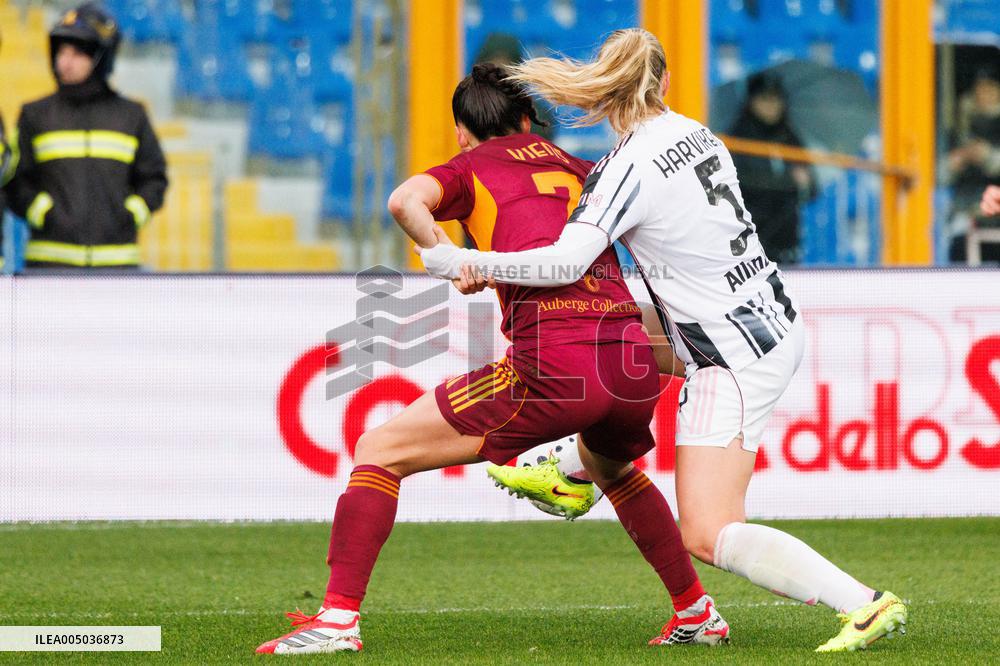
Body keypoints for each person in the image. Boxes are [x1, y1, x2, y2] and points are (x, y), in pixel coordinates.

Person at [418, 29, 907, 653]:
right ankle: (572, 470)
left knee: (707, 530)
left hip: (729, 355)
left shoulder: (626, 168)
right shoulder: (696, 133)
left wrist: (469, 261)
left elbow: (565, 262)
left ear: (605, 92)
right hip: (766, 317)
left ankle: (863, 603)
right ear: (666, 83)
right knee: (607, 330)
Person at [255, 62, 729, 655]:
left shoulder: (470, 166)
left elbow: (405, 202)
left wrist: (443, 254)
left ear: (462, 130)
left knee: (379, 450)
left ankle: (336, 622)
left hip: (557, 363)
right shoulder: (582, 167)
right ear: (529, 119)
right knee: (613, 471)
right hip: (632, 360)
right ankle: (696, 612)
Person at [6, 2, 167, 269]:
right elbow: (14, 180)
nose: (64, 62)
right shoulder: (35, 115)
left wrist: (128, 215)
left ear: (101, 57)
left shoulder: (132, 116)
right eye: (61, 52)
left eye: (77, 53)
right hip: (50, 267)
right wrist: (44, 213)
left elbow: (154, 180)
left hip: (116, 266)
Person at [727, 72, 815, 264]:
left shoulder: (790, 137)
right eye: (765, 99)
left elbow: (812, 190)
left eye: (776, 99)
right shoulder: (737, 138)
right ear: (751, 101)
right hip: (751, 244)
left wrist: (806, 184)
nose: (772, 106)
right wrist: (789, 182)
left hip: (788, 245)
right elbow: (744, 184)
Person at [946, 65, 1000, 262]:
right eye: (980, 88)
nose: (984, 94)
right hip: (962, 214)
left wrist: (988, 156)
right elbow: (931, 173)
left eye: (990, 88)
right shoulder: (958, 126)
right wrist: (956, 160)